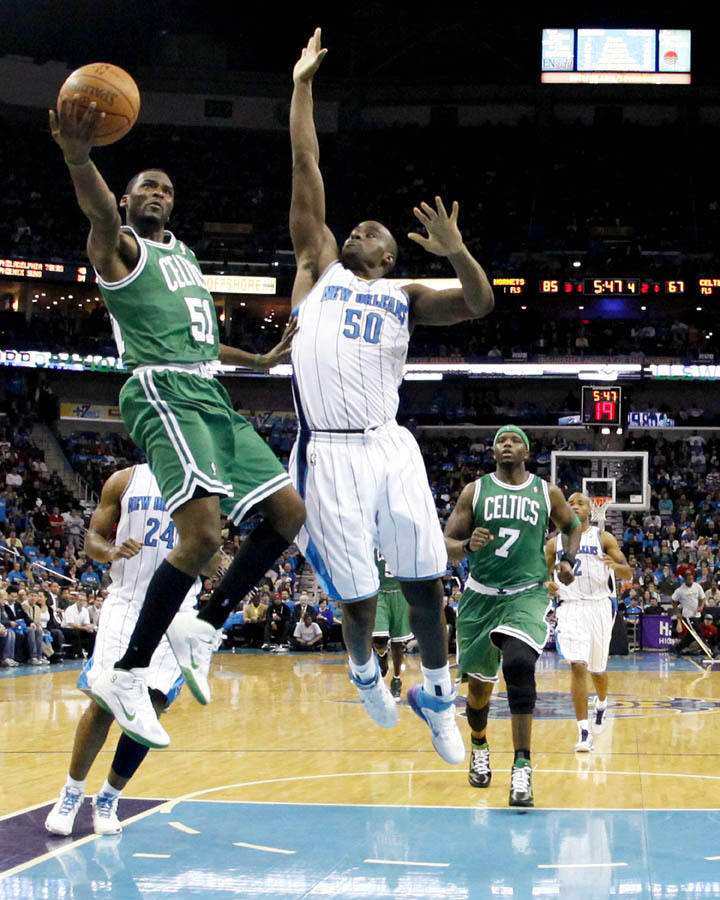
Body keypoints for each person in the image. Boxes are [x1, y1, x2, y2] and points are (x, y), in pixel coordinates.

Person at [50, 95, 306, 748]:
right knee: (201, 538)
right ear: (130, 201)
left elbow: (202, 340)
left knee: (288, 515)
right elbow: (99, 213)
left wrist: (258, 357)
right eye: (146, 188)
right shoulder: (120, 249)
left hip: (210, 391)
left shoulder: (186, 257)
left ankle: (205, 620)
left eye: (165, 188)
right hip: (162, 390)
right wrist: (81, 160)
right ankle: (130, 673)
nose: (158, 194)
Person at [288, 29, 494, 765]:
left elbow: (478, 304)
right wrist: (302, 85)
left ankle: (436, 696)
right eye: (359, 225)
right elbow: (306, 163)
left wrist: (460, 252)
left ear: (390, 256)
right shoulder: (316, 266)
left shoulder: (406, 294)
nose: (363, 227)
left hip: (387, 441)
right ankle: (364, 671)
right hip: (326, 449)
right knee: (356, 598)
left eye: (376, 232)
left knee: (424, 577)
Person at [45, 464, 206, 837]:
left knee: (150, 709)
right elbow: (93, 540)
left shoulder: (205, 482)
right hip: (127, 603)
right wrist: (112, 551)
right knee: (105, 701)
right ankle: (71, 793)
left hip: (177, 610)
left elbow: (214, 543)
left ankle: (109, 798)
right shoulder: (125, 479)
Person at [444, 425, 581, 806]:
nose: (506, 444)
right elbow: (447, 545)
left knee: (519, 665)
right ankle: (480, 744)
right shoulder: (475, 491)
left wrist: (568, 560)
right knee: (479, 692)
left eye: (514, 440)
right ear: (493, 453)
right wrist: (466, 546)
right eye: (500, 441)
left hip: (527, 593)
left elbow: (572, 525)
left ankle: (522, 766)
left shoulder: (545, 491)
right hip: (480, 598)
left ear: (526, 451)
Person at [544, 494, 632, 753]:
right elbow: (540, 574)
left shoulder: (603, 538)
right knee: (578, 666)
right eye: (570, 503)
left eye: (580, 503)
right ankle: (583, 730)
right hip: (571, 607)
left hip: (600, 607)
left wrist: (614, 564)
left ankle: (602, 702)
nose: (574, 505)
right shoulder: (554, 543)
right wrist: (546, 585)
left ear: (590, 510)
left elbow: (628, 572)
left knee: (597, 670)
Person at [372, 550, 412, 700]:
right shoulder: (371, 537)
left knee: (397, 642)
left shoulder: (403, 539)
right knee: (378, 639)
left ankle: (396, 679)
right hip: (379, 593)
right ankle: (382, 656)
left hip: (399, 594)